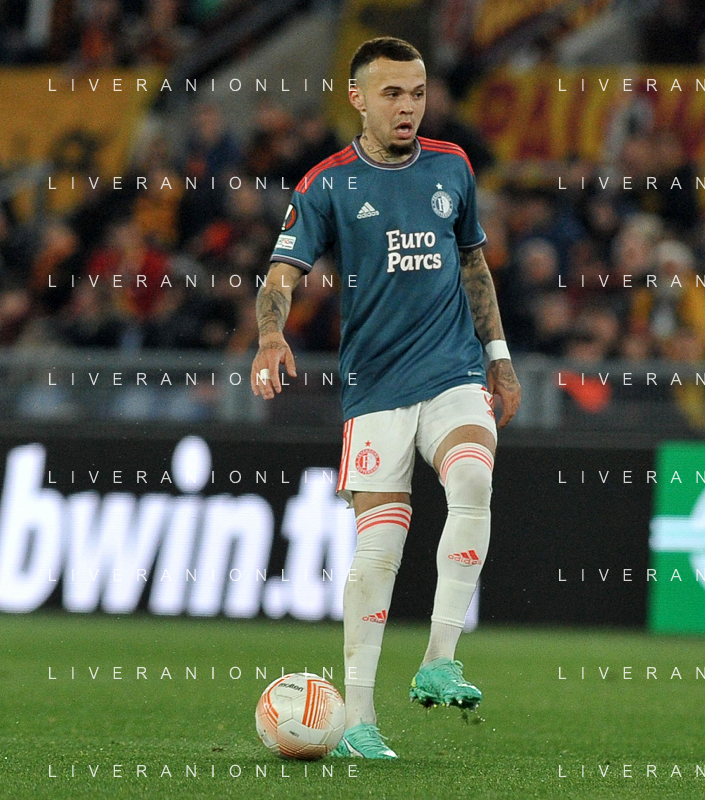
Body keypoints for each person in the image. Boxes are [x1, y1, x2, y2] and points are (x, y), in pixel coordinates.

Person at [249, 36, 521, 759]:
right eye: (392, 93)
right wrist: (270, 336)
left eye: (417, 93)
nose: (408, 107)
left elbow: (474, 267)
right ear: (358, 98)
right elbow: (280, 276)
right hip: (374, 389)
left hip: (453, 371)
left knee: (472, 477)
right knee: (379, 550)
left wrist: (498, 358)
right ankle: (361, 722)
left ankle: (439, 658)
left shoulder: (453, 165)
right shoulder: (326, 185)